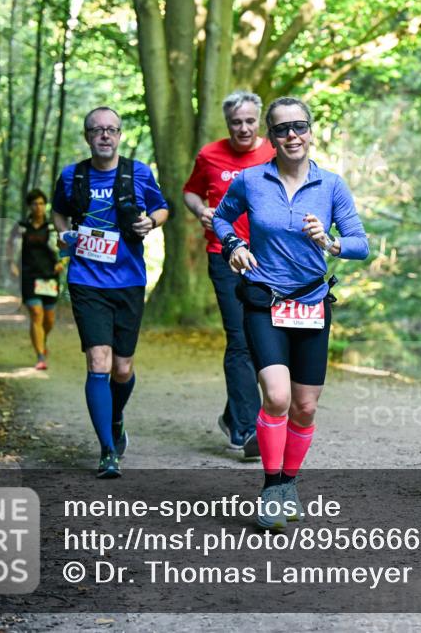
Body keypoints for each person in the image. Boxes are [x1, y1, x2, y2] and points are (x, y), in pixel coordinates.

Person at [213, 97, 369, 529]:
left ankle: (289, 482)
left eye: (298, 126)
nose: (291, 135)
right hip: (265, 299)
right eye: (281, 129)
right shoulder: (250, 179)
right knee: (277, 396)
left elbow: (361, 243)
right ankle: (271, 487)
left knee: (304, 406)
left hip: (312, 303)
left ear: (311, 132)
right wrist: (235, 246)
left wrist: (331, 242)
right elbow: (222, 220)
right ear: (271, 137)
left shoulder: (331, 185)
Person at [51, 106, 169, 479]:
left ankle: (115, 418)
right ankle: (107, 451)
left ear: (119, 136)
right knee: (98, 363)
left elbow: (162, 207)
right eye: (97, 130)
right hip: (86, 281)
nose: (105, 135)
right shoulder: (72, 176)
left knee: (122, 368)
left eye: (112, 130)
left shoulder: (138, 173)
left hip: (129, 280)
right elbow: (58, 211)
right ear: (87, 137)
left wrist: (151, 221)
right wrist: (61, 233)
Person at [183, 91, 276, 459]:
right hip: (223, 255)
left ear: (260, 122)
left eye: (250, 121)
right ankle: (246, 429)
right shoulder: (209, 155)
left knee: (262, 340)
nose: (243, 128)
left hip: (269, 258)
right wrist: (201, 210)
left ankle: (230, 414)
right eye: (236, 122)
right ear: (227, 124)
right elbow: (190, 192)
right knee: (239, 337)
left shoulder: (274, 151)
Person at [10, 189, 64, 370]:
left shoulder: (51, 227)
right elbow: (10, 247)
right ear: (29, 206)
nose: (38, 207)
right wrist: (12, 264)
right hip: (28, 276)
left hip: (49, 277)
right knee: (36, 314)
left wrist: (62, 262)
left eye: (41, 203)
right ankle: (40, 356)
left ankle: (42, 339)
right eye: (35, 204)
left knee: (48, 319)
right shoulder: (21, 227)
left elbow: (65, 247)